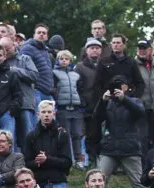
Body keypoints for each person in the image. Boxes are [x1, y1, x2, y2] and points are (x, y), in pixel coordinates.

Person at [23, 100, 72, 188]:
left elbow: (68, 162)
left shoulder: (62, 134)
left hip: (57, 183)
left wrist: (47, 160)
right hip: (38, 185)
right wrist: (38, 162)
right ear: (38, 114)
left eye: (49, 112)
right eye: (43, 112)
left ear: (54, 114)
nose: (46, 115)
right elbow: (26, 163)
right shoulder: (31, 136)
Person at [0, 36, 38, 150]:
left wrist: (16, 71)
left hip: (25, 104)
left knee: (28, 135)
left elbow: (35, 76)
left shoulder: (25, 59)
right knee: (10, 137)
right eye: (3, 49)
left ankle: (30, 162)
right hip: (8, 106)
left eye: (7, 48)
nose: (5, 52)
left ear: (14, 45)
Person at [53, 50, 84, 167]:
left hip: (76, 108)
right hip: (62, 108)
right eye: (61, 59)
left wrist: (81, 104)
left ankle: (79, 159)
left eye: (66, 59)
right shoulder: (54, 73)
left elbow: (80, 90)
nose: (64, 61)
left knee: (77, 134)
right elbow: (54, 89)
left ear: (70, 61)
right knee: (65, 134)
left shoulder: (75, 75)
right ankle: (67, 159)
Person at [93, 33, 145, 103]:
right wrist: (103, 96)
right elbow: (97, 84)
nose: (115, 45)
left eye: (118, 42)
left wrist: (133, 98)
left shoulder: (131, 62)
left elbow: (140, 83)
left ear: (124, 45)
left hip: (127, 101)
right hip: (108, 101)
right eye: (113, 43)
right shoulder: (103, 62)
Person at [76, 38, 103, 167]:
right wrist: (82, 102)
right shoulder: (80, 67)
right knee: (87, 134)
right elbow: (77, 87)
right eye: (92, 48)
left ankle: (100, 159)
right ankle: (89, 159)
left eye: (97, 48)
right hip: (86, 106)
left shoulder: (104, 65)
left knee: (100, 133)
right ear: (86, 50)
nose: (95, 50)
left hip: (102, 104)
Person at [19, 24, 54, 114]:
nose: (41, 34)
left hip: (47, 91)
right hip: (36, 91)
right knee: (38, 122)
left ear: (47, 37)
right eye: (39, 32)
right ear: (34, 35)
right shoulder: (27, 48)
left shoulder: (45, 51)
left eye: (44, 33)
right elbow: (23, 69)